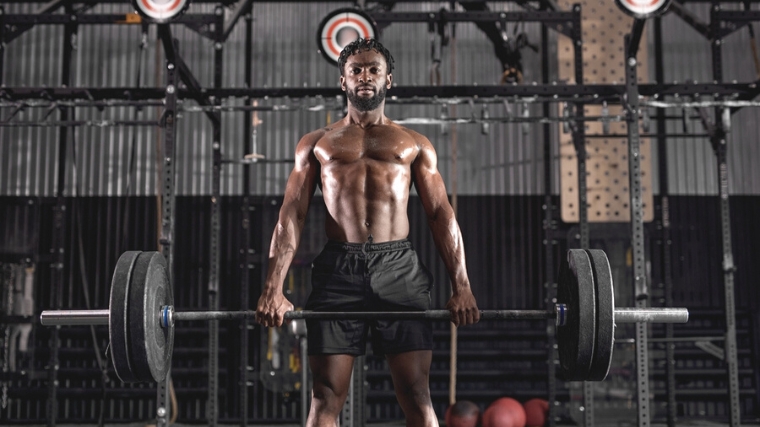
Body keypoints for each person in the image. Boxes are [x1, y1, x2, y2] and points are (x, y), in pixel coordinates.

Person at [255, 38, 480, 427]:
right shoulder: (317, 144)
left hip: (399, 267)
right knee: (325, 395)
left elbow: (441, 214)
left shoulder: (414, 144)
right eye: (355, 70)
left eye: (373, 69)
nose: (364, 76)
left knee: (416, 393)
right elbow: (291, 215)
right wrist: (272, 288)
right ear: (342, 81)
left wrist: (461, 286)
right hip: (339, 268)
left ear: (388, 80)